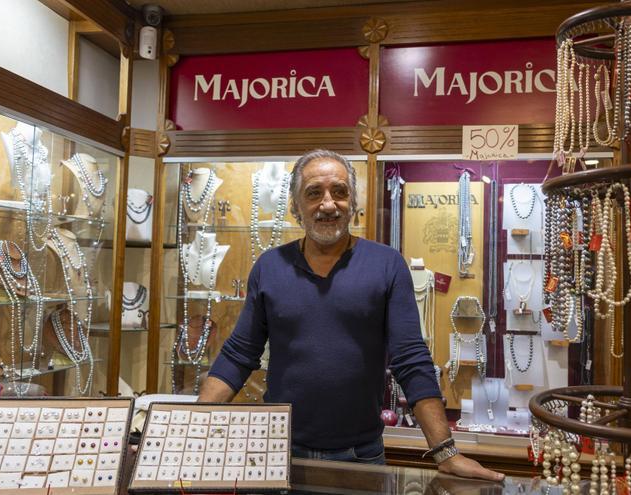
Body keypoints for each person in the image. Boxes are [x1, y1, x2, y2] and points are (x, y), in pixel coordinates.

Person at [199, 149, 503, 481]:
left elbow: (411, 359)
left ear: (353, 203)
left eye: (339, 192)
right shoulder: (270, 267)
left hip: (361, 457)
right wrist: (191, 432)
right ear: (295, 207)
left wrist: (445, 452)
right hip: (280, 453)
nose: (328, 204)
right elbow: (238, 354)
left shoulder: (387, 264)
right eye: (314, 193)